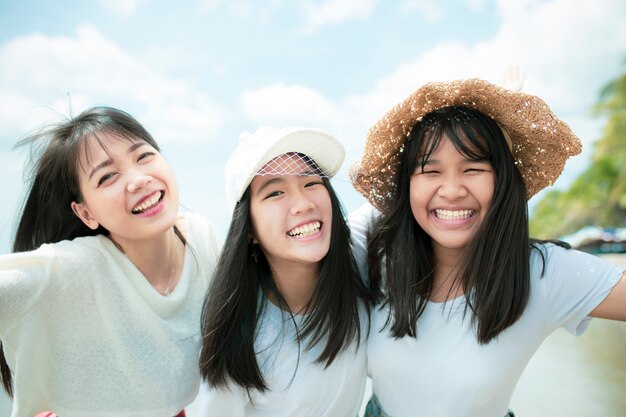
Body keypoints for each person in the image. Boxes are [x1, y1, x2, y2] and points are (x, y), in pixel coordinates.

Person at [348, 79, 626, 417]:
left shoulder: (542, 271)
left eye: (473, 168)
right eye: (430, 171)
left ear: (503, 180)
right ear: (407, 185)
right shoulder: (378, 254)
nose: (451, 190)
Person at [0, 107, 220, 417]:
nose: (138, 180)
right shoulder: (72, 268)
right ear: (86, 214)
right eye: (107, 176)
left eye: (143, 156)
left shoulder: (201, 238)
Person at [197, 126, 371, 416]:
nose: (303, 204)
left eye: (312, 183)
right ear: (248, 229)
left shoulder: (357, 254)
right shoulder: (240, 336)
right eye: (275, 192)